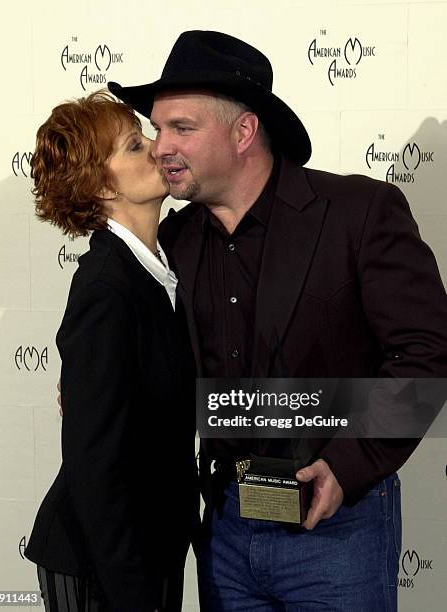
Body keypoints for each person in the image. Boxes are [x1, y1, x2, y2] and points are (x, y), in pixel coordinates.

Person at [108, 30, 447, 611]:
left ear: (244, 132)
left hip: (337, 529)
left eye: (181, 128)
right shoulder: (174, 241)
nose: (160, 146)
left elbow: (427, 354)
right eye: (157, 128)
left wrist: (346, 466)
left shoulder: (358, 213)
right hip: (223, 533)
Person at [25, 91, 199, 612]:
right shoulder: (105, 289)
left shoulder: (165, 266)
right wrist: (131, 592)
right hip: (102, 563)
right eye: (133, 145)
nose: (156, 147)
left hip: (154, 548)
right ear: (100, 186)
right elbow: (93, 463)